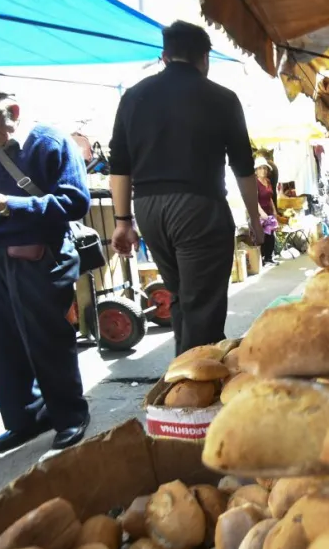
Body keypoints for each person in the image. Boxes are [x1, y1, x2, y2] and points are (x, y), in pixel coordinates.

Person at [0, 80, 90, 453]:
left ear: (14, 113)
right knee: (0, 339)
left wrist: (9, 204)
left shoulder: (51, 142)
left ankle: (70, 415)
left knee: (47, 337)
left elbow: (75, 203)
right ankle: (25, 418)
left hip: (38, 251)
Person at [109, 21, 262, 356]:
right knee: (202, 308)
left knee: (183, 299)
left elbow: (119, 165)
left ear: (165, 56)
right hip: (198, 208)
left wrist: (123, 222)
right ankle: (191, 392)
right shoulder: (222, 98)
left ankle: (184, 383)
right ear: (205, 58)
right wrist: (255, 217)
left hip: (148, 210)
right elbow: (243, 167)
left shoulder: (133, 97)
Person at [255, 159, 278, 266]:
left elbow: (270, 198)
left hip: (269, 212)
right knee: (262, 236)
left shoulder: (268, 181)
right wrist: (261, 213)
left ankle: (269, 257)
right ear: (256, 171)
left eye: (264, 168)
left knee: (271, 235)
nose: (263, 170)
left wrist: (274, 211)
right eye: (260, 168)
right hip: (259, 213)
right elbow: (254, 200)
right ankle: (263, 258)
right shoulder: (255, 183)